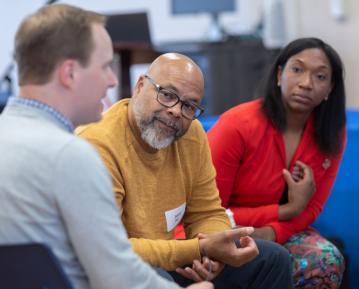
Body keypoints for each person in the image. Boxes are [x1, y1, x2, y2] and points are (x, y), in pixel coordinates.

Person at [0, 4, 213, 289]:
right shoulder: (71, 155)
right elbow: (116, 276)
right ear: (70, 73)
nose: (112, 80)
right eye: (104, 66)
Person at [77, 52, 294, 289]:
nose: (176, 111)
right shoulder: (98, 144)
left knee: (273, 259)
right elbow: (110, 249)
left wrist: (214, 255)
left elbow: (206, 212)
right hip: (115, 270)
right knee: (158, 278)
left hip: (173, 256)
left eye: (189, 105)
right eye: (167, 95)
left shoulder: (191, 134)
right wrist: (199, 248)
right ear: (140, 86)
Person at [208, 37, 346, 289]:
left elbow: (312, 208)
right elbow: (208, 211)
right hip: (224, 231)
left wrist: (273, 232)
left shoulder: (332, 132)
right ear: (279, 74)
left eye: (320, 77)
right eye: (297, 69)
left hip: (283, 232)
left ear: (330, 89)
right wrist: (285, 211)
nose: (306, 83)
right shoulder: (237, 125)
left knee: (325, 259)